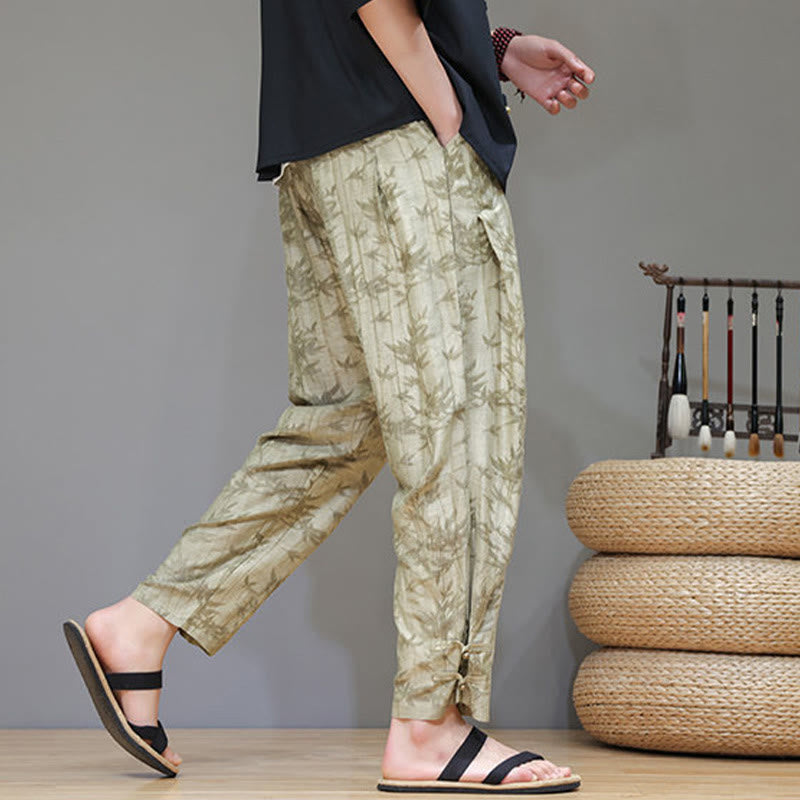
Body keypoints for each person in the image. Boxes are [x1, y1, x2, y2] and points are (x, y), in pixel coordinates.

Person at [64, 0, 594, 793]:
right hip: (404, 152)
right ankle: (431, 725)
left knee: (343, 425)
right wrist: (446, 107)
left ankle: (143, 624)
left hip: (325, 153)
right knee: (458, 438)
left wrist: (489, 50)